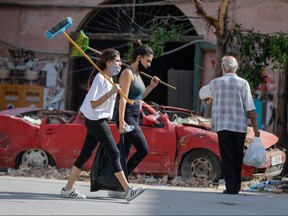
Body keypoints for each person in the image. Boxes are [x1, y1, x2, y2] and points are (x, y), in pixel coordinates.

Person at [60, 48, 145, 202]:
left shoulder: (109, 78)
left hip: (100, 120)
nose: (120, 64)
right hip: (95, 120)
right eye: (118, 61)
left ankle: (68, 188)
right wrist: (111, 92)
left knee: (85, 154)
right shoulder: (100, 78)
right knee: (114, 153)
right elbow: (93, 104)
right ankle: (128, 190)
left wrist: (114, 91)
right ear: (109, 62)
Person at [200, 55, 260, 195]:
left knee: (227, 157)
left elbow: (202, 93)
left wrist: (208, 97)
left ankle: (230, 187)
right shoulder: (243, 83)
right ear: (235, 68)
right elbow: (250, 107)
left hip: (223, 126)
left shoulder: (216, 83)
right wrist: (256, 127)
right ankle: (236, 187)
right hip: (239, 126)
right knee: (237, 156)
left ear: (223, 67)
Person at [108, 40, 159, 198]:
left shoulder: (138, 75)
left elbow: (138, 98)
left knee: (125, 152)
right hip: (127, 114)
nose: (149, 65)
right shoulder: (128, 73)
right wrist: (122, 121)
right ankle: (121, 185)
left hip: (136, 113)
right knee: (143, 149)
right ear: (139, 58)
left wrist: (151, 86)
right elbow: (123, 99)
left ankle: (116, 187)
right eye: (148, 60)